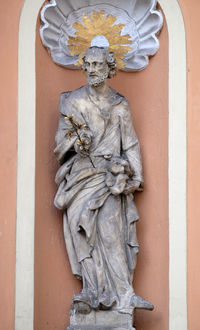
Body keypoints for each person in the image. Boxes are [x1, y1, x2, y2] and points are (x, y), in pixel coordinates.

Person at [54, 46, 152, 315]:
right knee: (83, 234)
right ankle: (92, 292)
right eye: (88, 64)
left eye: (98, 65)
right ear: (83, 66)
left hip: (110, 176)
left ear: (110, 69)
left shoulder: (120, 103)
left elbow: (130, 143)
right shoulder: (72, 101)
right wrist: (77, 139)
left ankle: (125, 295)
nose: (92, 69)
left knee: (111, 232)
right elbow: (60, 144)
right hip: (81, 177)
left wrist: (138, 176)